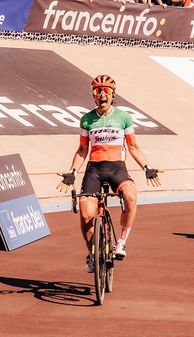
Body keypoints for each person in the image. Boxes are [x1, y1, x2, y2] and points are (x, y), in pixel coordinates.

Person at [57, 75, 161, 273]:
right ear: (93, 95)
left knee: (130, 196)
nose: (102, 94)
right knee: (86, 212)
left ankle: (121, 242)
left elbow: (133, 147)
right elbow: (82, 150)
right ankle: (92, 254)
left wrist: (146, 168)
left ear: (113, 94)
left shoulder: (123, 117)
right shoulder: (87, 119)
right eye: (97, 91)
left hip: (117, 168)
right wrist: (72, 171)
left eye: (106, 90)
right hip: (94, 170)